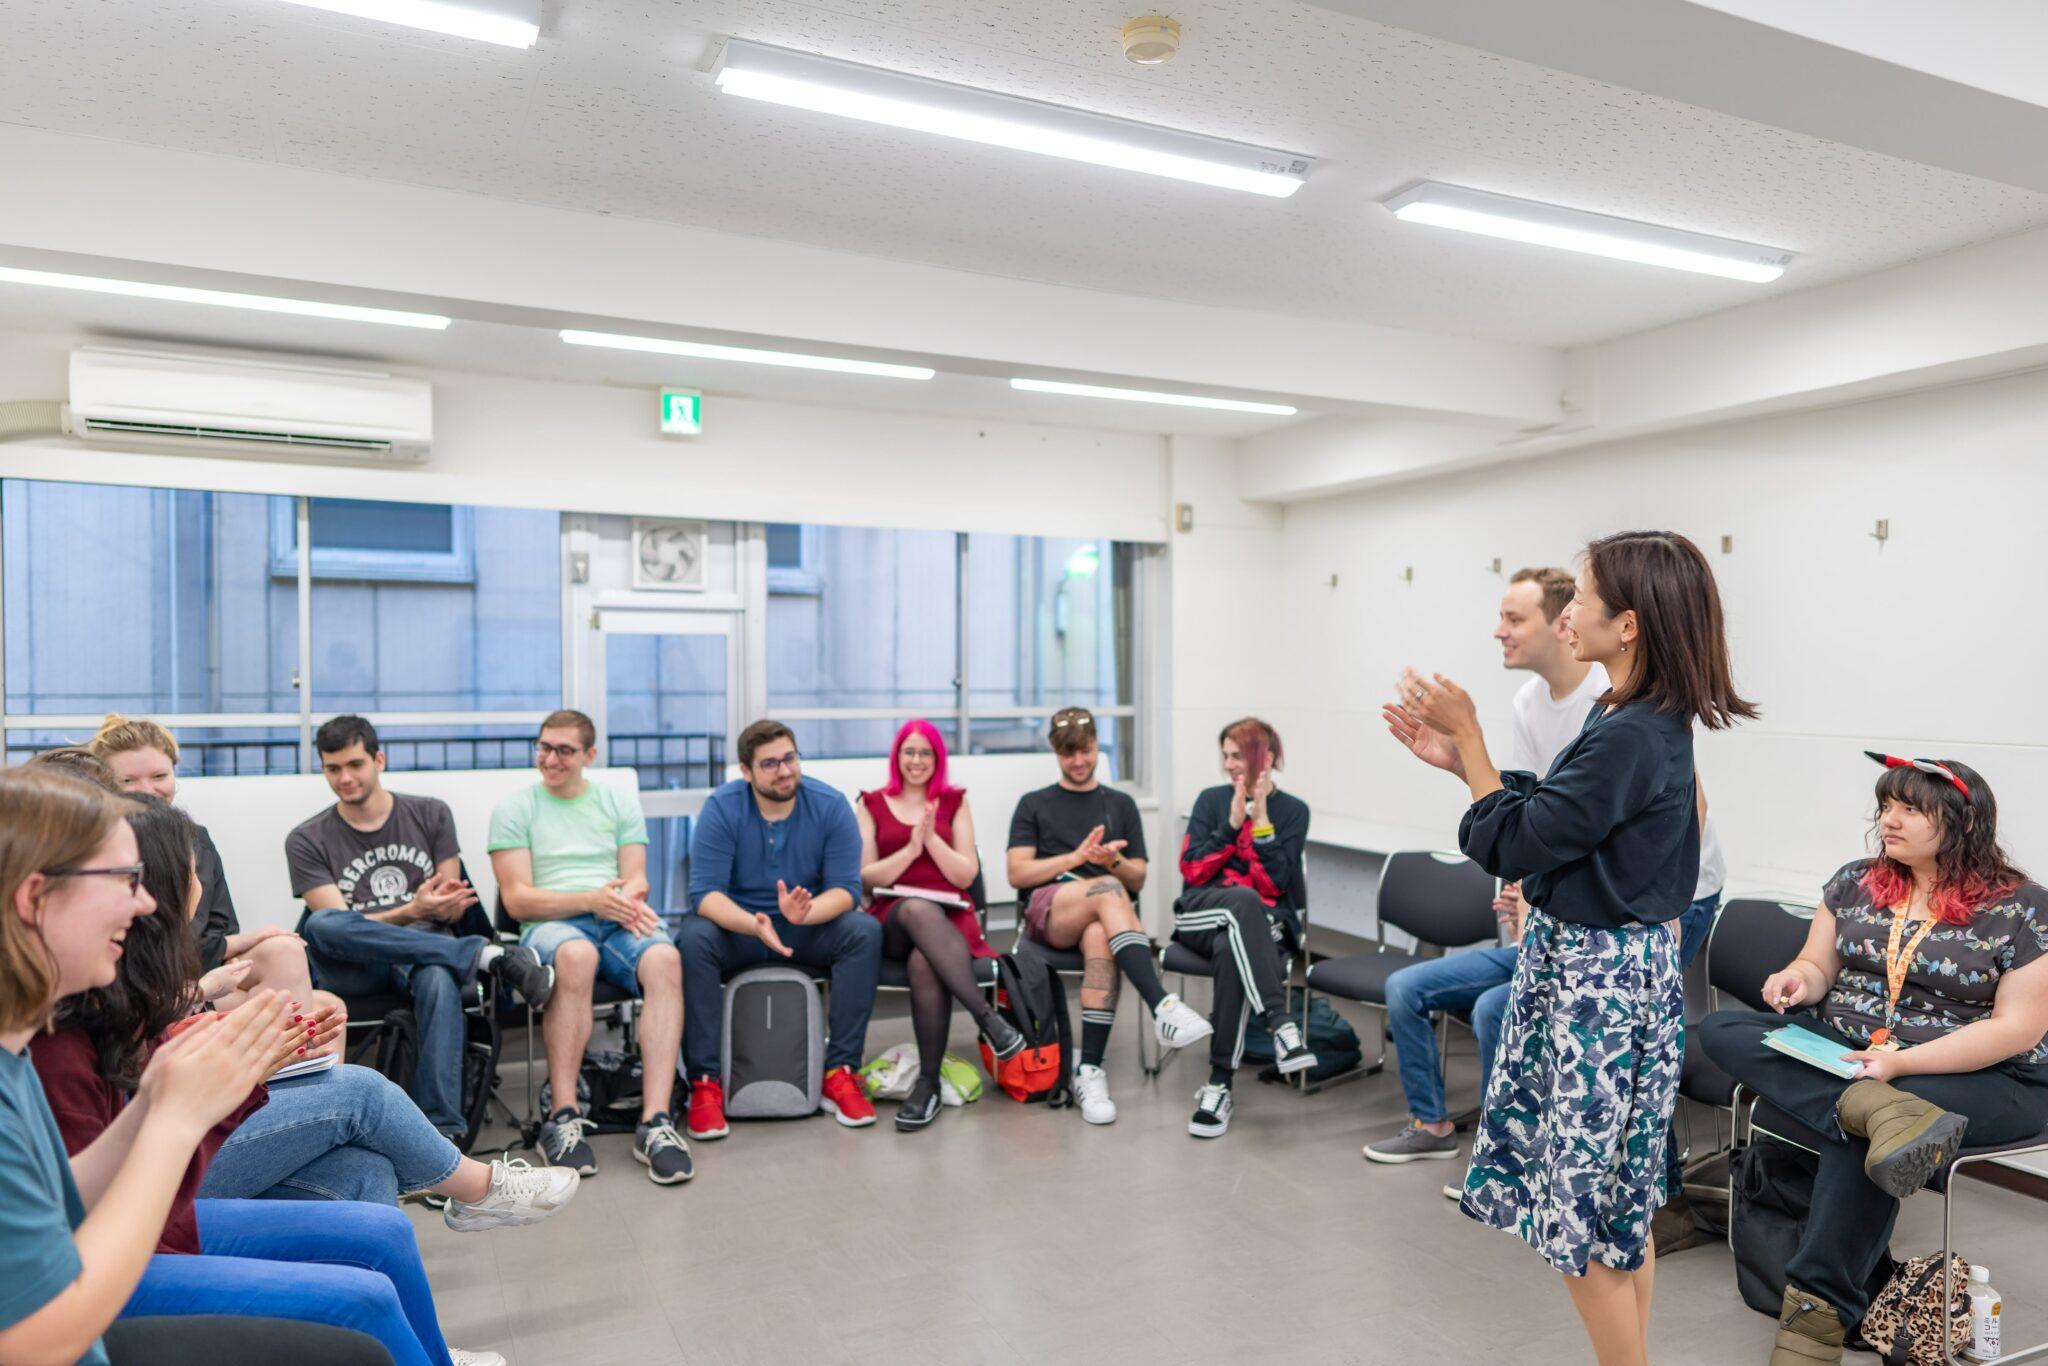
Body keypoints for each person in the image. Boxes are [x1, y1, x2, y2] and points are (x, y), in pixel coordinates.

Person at [1386, 530, 1755, 1366]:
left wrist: (1472, 741)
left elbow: (1523, 845)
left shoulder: (1630, 728)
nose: (1567, 616)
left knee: (1581, 1216)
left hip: (1595, 986)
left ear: (1627, 625)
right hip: (1609, 976)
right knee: (1619, 1217)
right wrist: (1463, 765)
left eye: (1582, 598)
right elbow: (1563, 816)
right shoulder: (1630, 714)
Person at [37, 795, 579, 1240]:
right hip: (158, 1175)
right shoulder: (309, 836)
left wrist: (238, 1038)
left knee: (370, 1170)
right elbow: (137, 1113)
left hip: (419, 955)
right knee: (351, 1048)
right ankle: (473, 1184)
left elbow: (152, 1055)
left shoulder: (428, 813)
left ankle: (407, 1345)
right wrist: (238, 1051)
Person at [1700, 755, 2048, 1366]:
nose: (1890, 819)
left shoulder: (2023, 908)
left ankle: (1813, 1321)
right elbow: (1817, 966)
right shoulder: (1855, 882)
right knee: (1724, 1029)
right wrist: (1796, 981)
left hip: (1987, 1077)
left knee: (1862, 1133)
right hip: (1856, 1059)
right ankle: (1874, 1109)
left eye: (1910, 808)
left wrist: (1898, 1067)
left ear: (1963, 820)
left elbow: (2017, 1030)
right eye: (1886, 806)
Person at [0, 763, 294, 1366]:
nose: (146, 902)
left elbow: (61, 1199)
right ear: (35, 897)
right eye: (124, 878)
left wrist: (158, 1101)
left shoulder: (16, 1052)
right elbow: (37, 1341)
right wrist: (174, 1122)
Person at [291, 714, 554, 1139]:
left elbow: (450, 908)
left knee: (436, 975)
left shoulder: (431, 814)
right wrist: (413, 910)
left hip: (427, 951)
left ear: (379, 760)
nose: (344, 778)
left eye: (355, 765)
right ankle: (485, 956)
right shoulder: (306, 838)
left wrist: (433, 911)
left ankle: (441, 1134)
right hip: (357, 965)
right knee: (321, 924)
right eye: (332, 768)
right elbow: (339, 924)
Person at [490, 709, 690, 1184]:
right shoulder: (515, 809)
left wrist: (628, 900)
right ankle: (562, 1117)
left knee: (665, 958)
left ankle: (656, 1121)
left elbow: (637, 875)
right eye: (543, 747)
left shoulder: (617, 801)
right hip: (550, 920)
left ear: (589, 755)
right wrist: (591, 900)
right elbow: (518, 900)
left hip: (613, 912)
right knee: (578, 956)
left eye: (563, 750)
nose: (550, 758)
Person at [1006, 706, 1210, 1126]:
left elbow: (1137, 878)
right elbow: (1017, 873)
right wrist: (1077, 858)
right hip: (1051, 911)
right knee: (1108, 890)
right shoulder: (1033, 804)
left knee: (1103, 928)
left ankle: (1090, 1071)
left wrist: (1112, 861)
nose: (1078, 761)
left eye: (1084, 750)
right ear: (1054, 752)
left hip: (1105, 915)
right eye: (1068, 754)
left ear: (1097, 744)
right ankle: (1162, 1005)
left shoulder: (1120, 805)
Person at [680, 719, 880, 1139]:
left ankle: (841, 1073)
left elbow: (846, 889)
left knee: (863, 931)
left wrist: (802, 916)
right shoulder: (723, 806)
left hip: (805, 926)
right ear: (746, 771)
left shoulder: (829, 804)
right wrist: (754, 924)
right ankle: (705, 1084)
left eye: (789, 758)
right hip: (741, 929)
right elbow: (705, 894)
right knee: (695, 938)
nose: (784, 771)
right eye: (769, 764)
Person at [854, 720, 1025, 1132]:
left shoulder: (954, 801)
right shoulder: (871, 802)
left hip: (950, 920)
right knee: (915, 908)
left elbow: (966, 875)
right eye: (909, 752)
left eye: (925, 753)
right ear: (897, 757)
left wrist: (932, 841)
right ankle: (987, 1017)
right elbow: (867, 876)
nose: (917, 760)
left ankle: (927, 1086)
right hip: (893, 916)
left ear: (937, 758)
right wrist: (912, 848)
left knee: (924, 962)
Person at [88, 714, 314, 1005]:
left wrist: (226, 951)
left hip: (204, 963)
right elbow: (143, 945)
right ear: (105, 784)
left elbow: (224, 925)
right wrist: (229, 950)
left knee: (286, 951)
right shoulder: (102, 847)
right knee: (286, 1003)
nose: (147, 790)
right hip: (146, 980)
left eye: (159, 776)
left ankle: (295, 1042)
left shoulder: (197, 838)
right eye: (128, 780)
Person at [1174, 717, 1317, 1139]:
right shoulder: (1210, 801)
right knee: (1242, 902)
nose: (1229, 764)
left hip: (1256, 927)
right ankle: (1280, 1022)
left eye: (1238, 755)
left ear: (1267, 757)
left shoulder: (1294, 812)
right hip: (1199, 915)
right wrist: (1232, 824)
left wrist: (1262, 818)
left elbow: (1276, 883)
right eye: (1226, 756)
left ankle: (1219, 1085)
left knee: (1230, 947)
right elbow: (1193, 869)